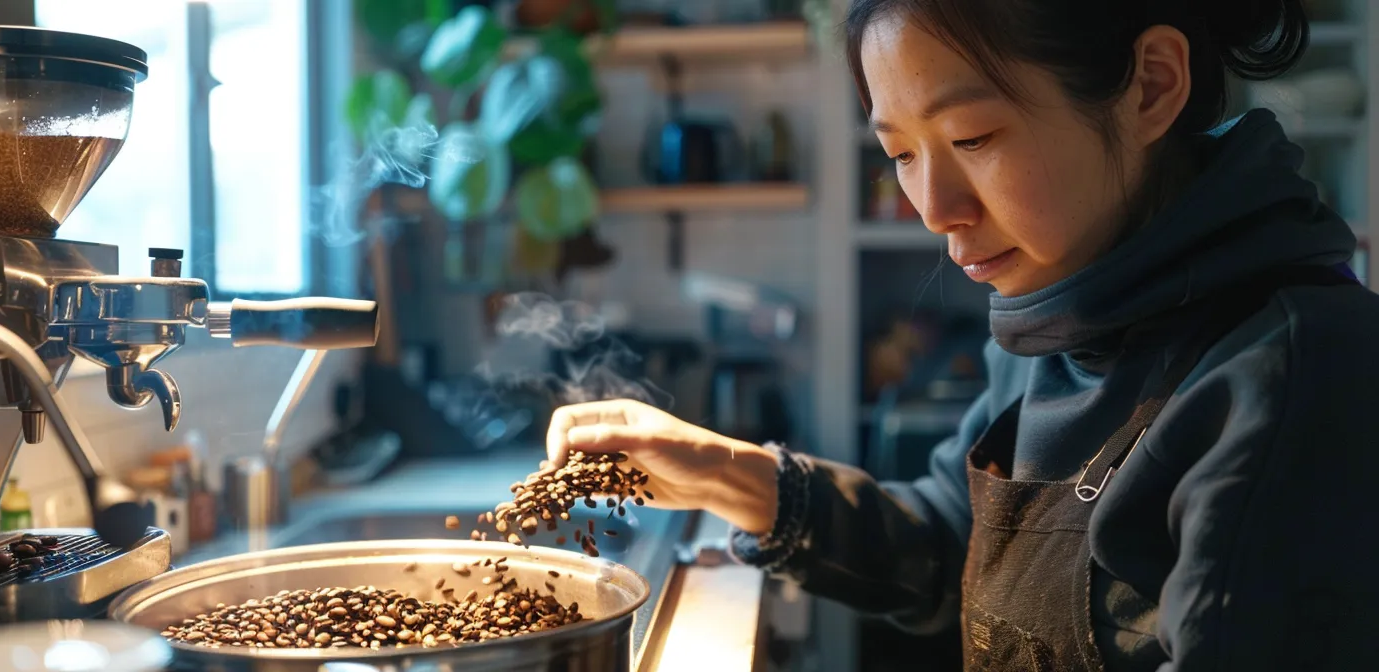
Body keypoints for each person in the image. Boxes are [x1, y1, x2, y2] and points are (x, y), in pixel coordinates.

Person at [544, 0, 1379, 670]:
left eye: (973, 138)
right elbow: (958, 546)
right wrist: (729, 473)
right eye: (901, 154)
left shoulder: (1303, 378)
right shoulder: (1063, 307)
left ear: (1152, 85)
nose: (935, 209)